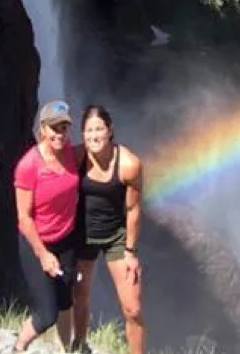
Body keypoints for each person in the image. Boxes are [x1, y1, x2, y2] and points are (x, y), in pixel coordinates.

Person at [71, 105, 146, 354]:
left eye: (99, 129)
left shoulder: (129, 164)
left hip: (116, 237)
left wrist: (131, 252)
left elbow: (134, 209)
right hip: (83, 236)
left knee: (133, 309)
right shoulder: (77, 158)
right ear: (82, 133)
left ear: (110, 130)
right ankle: (79, 346)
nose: (94, 135)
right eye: (89, 130)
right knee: (79, 296)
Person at [13, 99, 80, 352]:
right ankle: (19, 347)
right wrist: (43, 254)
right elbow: (23, 217)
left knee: (65, 302)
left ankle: (66, 349)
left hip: (66, 240)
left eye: (64, 128)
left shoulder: (73, 155)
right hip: (36, 243)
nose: (59, 134)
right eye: (54, 128)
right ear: (42, 129)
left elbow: (98, 153)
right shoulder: (28, 166)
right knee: (46, 314)